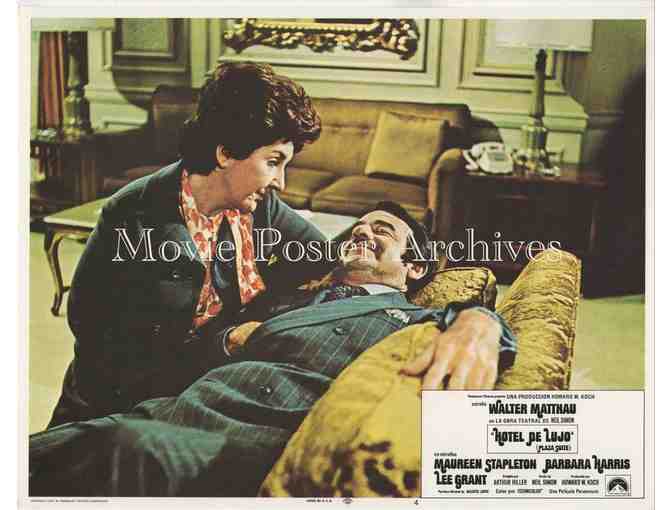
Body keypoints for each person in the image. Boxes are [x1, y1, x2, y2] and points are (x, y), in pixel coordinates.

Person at [29, 202, 516, 497]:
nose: (363, 233)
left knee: (124, 448)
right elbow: (196, 346)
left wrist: (480, 322)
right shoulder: (290, 295)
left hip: (244, 444)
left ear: (415, 268)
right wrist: (229, 337)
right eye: (359, 228)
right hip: (172, 410)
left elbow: (488, 328)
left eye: (382, 231)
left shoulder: (411, 317)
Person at [48, 61, 332, 428]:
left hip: (203, 389)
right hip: (116, 407)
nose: (280, 182)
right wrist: (226, 344)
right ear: (226, 153)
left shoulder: (260, 205)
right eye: (273, 162)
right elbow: (96, 332)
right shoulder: (133, 214)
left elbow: (322, 258)